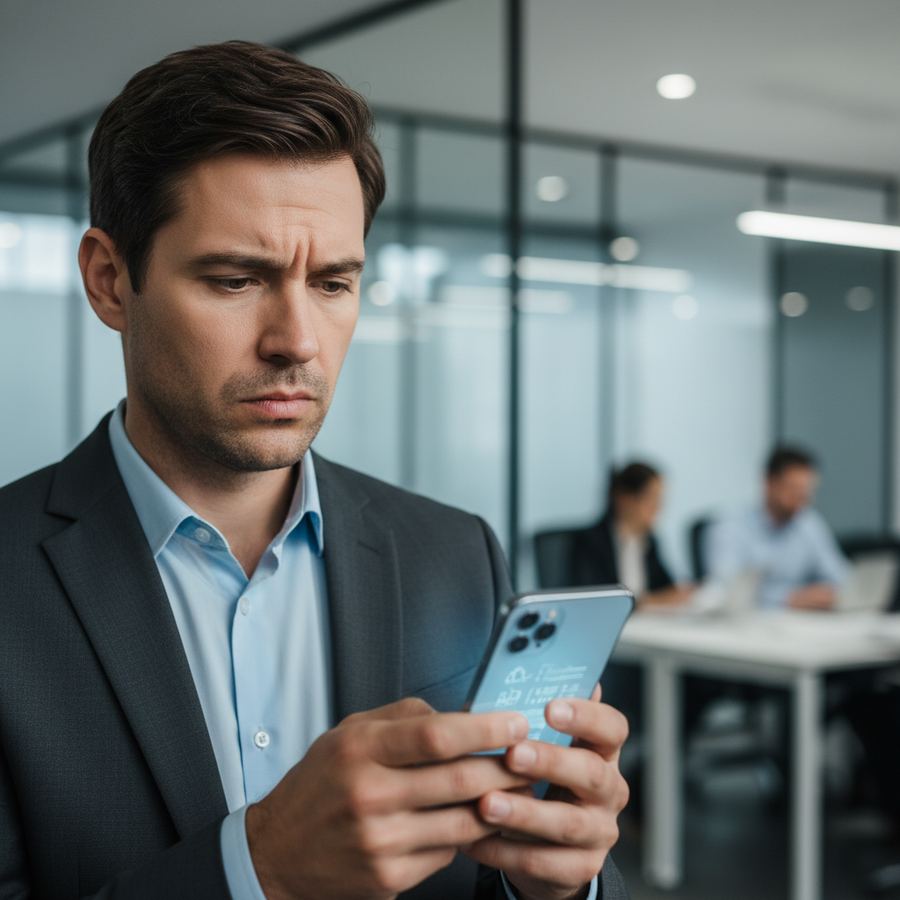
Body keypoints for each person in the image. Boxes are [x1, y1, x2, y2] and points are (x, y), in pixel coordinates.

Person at [0, 42, 629, 900]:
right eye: (234, 279)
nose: (297, 340)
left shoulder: (455, 553)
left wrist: (553, 885)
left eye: (333, 284)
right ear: (110, 282)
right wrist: (256, 872)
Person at [705, 445, 848, 610]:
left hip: (802, 622)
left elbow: (840, 578)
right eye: (793, 490)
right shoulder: (730, 526)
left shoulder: (809, 524)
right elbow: (727, 590)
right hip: (750, 624)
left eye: (806, 493)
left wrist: (827, 593)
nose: (800, 500)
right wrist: (788, 598)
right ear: (768, 483)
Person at [571, 462, 693, 607]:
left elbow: (667, 587)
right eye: (651, 499)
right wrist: (644, 602)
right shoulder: (590, 542)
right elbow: (594, 601)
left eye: (660, 499)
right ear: (625, 499)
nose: (657, 508)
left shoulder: (649, 539)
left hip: (648, 623)